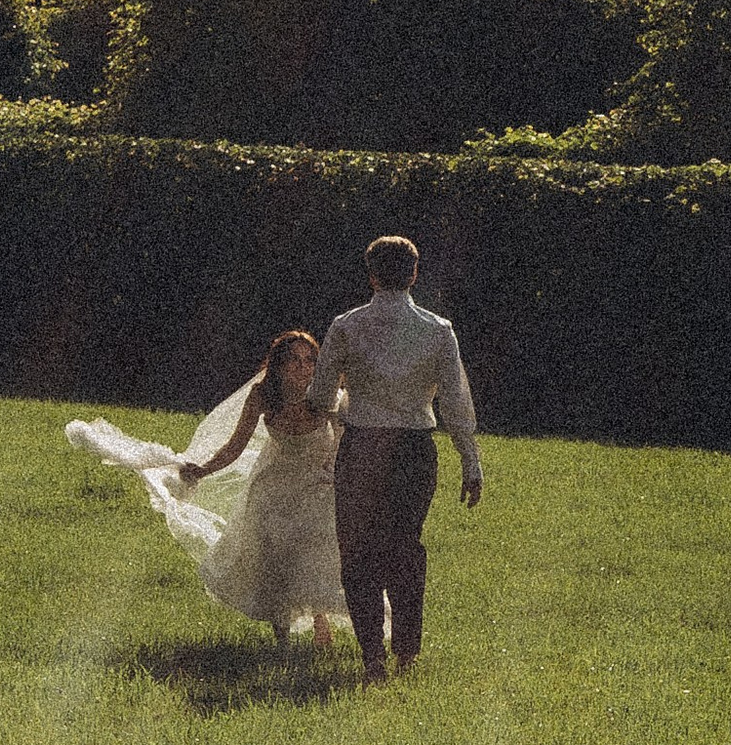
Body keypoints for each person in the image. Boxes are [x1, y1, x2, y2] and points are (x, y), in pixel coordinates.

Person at [64, 329, 347, 647]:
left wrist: (333, 470)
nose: (303, 367)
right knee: (272, 556)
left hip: (317, 484)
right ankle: (282, 637)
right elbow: (234, 447)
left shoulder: (325, 395)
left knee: (313, 553)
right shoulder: (262, 395)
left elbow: (340, 440)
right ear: (278, 366)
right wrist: (203, 469)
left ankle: (321, 622)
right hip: (273, 485)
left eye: (309, 360)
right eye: (294, 360)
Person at [308, 234, 481, 680]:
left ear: (370, 275)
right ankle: (406, 650)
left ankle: (371, 656)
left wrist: (344, 405)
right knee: (405, 548)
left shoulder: (346, 326)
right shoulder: (438, 331)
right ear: (415, 274)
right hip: (414, 449)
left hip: (363, 444)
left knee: (358, 553)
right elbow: (456, 401)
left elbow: (322, 396)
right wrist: (470, 459)